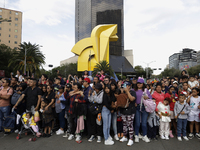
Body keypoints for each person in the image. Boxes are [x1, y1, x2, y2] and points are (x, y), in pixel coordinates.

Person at [134, 78, 151, 143]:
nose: (139, 84)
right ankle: (136, 135)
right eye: (138, 83)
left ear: (143, 84)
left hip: (145, 107)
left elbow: (151, 97)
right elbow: (131, 98)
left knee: (144, 123)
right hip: (137, 107)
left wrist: (148, 97)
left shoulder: (146, 90)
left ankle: (144, 135)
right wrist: (134, 103)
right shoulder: (134, 90)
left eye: (140, 83)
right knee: (137, 123)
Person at [119, 81, 136, 146]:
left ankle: (131, 139)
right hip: (123, 110)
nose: (124, 87)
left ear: (129, 86)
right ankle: (125, 136)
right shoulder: (122, 92)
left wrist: (127, 91)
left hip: (130, 111)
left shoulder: (133, 92)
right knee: (124, 124)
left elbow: (132, 99)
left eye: (126, 86)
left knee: (130, 125)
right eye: (123, 86)